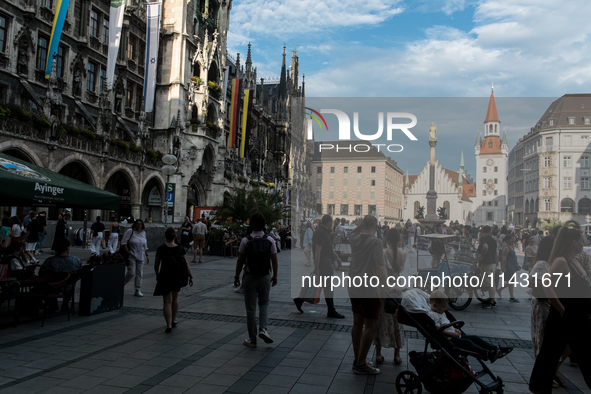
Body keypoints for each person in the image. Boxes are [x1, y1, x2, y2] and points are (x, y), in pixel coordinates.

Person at [529, 228, 591, 393]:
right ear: (574, 242)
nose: (584, 242)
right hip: (567, 317)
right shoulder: (562, 261)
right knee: (551, 354)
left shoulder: (575, 259)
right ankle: (539, 386)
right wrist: (562, 310)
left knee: (551, 354)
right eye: (582, 239)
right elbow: (546, 285)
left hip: (578, 315)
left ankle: (538, 386)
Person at [348, 215, 388, 375]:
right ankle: (361, 363)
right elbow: (380, 265)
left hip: (353, 286)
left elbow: (355, 231)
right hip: (368, 288)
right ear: (377, 227)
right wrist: (388, 285)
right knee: (370, 325)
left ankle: (357, 358)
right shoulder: (376, 242)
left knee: (357, 323)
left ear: (363, 225)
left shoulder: (354, 238)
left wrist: (361, 225)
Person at [528, 236, 568, 389]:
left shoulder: (555, 263)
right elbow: (530, 281)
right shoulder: (542, 263)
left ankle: (551, 372)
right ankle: (544, 376)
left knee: (551, 340)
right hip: (542, 304)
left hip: (550, 304)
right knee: (542, 338)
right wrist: (548, 284)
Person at [234, 212, 279, 348]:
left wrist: (236, 277)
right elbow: (275, 260)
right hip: (265, 276)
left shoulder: (246, 240)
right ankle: (263, 329)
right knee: (264, 303)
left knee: (250, 308)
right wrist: (275, 276)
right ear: (264, 225)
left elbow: (240, 261)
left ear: (251, 224)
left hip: (249, 277)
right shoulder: (270, 240)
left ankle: (252, 339)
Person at [429, 291, 512, 361]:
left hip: (453, 335)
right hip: (448, 339)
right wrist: (452, 334)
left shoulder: (440, 312)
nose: (445, 309)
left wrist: (454, 329)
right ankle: (487, 353)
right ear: (435, 305)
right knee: (468, 342)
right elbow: (438, 329)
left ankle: (496, 348)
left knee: (476, 338)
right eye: (443, 307)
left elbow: (446, 324)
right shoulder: (433, 315)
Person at [293, 214, 344, 318]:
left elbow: (328, 248)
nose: (332, 223)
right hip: (324, 262)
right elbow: (318, 251)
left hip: (325, 261)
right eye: (332, 221)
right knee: (328, 287)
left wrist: (336, 257)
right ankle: (331, 311)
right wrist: (317, 267)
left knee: (319, 286)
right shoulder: (321, 232)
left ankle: (300, 300)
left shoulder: (323, 231)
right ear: (329, 222)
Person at [154, 227, 194, 333]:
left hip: (165, 276)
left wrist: (157, 274)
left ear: (165, 236)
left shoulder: (161, 248)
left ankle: (168, 325)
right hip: (177, 276)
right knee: (175, 298)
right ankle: (174, 319)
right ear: (175, 236)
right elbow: (186, 264)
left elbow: (156, 264)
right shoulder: (180, 249)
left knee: (167, 301)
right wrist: (190, 276)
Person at [374, 228, 405, 365]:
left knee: (381, 321)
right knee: (397, 322)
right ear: (398, 239)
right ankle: (397, 355)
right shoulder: (403, 253)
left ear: (387, 239)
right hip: (398, 290)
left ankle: (379, 354)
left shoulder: (384, 252)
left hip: (385, 290)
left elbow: (379, 271)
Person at [122, 219, 149, 297]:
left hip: (141, 255)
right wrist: (128, 252)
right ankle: (121, 284)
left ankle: (137, 289)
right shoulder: (130, 231)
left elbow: (145, 245)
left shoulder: (143, 233)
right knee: (131, 273)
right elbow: (124, 242)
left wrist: (147, 255)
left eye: (140, 224)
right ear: (135, 224)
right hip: (132, 255)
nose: (139, 225)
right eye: (138, 224)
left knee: (139, 273)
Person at [478, 225, 498, 309]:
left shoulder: (484, 238)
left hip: (486, 262)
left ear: (483, 232)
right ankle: (491, 299)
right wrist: (496, 263)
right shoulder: (493, 240)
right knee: (491, 281)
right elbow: (495, 253)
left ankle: (491, 301)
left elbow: (485, 247)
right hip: (492, 263)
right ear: (490, 231)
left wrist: (482, 256)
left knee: (490, 283)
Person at [496, 235, 520, 302]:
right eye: (511, 239)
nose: (512, 240)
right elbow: (504, 258)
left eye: (513, 239)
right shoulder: (506, 248)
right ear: (507, 240)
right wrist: (504, 268)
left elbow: (514, 257)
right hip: (509, 266)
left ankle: (500, 290)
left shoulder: (511, 247)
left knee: (511, 281)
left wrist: (517, 264)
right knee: (511, 281)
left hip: (513, 265)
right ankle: (511, 296)